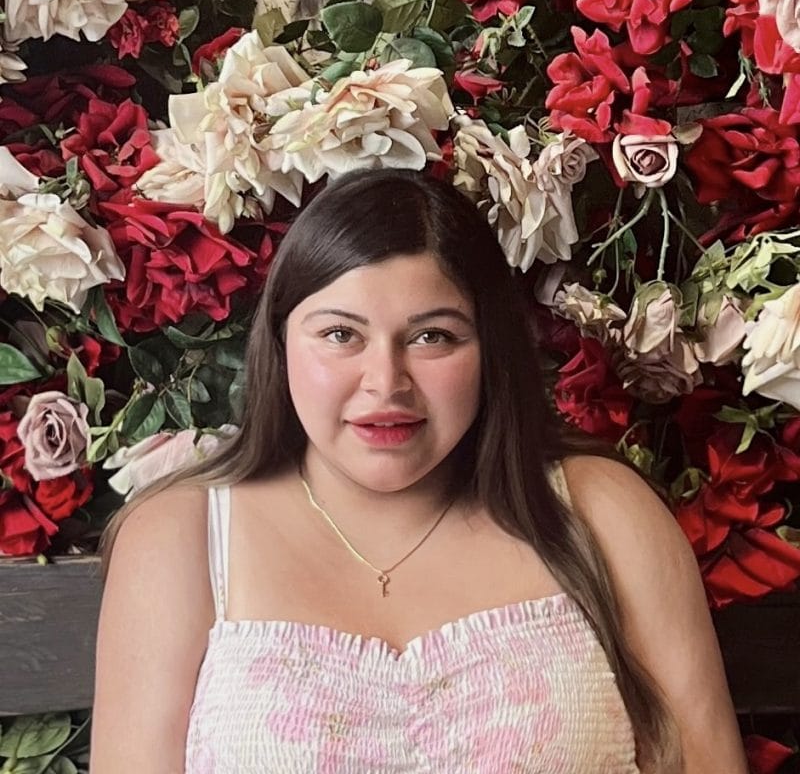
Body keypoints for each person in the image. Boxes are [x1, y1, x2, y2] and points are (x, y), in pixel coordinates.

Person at [90, 169, 748, 773]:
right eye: (341, 334)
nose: (386, 383)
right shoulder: (178, 538)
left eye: (433, 336)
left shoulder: (602, 512)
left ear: (489, 348)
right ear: (281, 341)